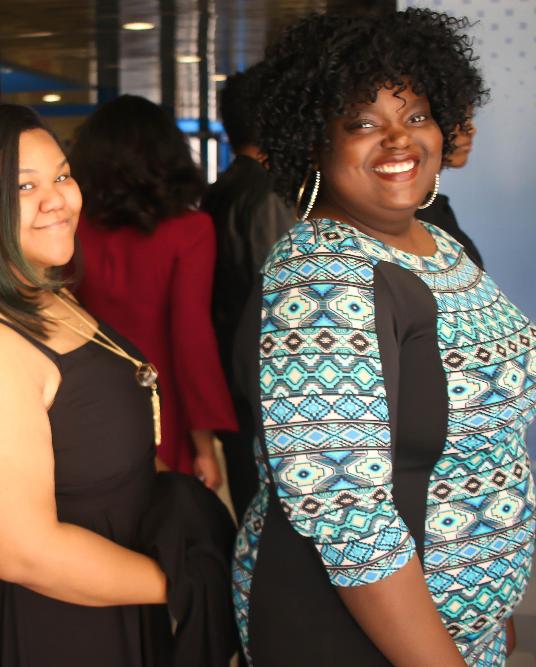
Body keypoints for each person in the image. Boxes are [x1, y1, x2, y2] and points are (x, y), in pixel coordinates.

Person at [232, 9, 533, 666]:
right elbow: (346, 512)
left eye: (417, 115)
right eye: (363, 123)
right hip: (352, 632)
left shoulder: (436, 245)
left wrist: (487, 604)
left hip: (447, 627)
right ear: (314, 139)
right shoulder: (320, 277)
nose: (398, 140)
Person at [0, 102, 237, 667]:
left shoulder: (38, 287)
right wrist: (185, 582)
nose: (58, 199)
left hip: (104, 587)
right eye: (23, 186)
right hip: (40, 623)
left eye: (62, 174)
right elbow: (24, 555)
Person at [69, 94, 237, 486]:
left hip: (83, 397)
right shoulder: (191, 231)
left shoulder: (72, 230)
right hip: (162, 406)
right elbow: (190, 337)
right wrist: (204, 445)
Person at [204, 64, 295, 520]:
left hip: (229, 368)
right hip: (263, 380)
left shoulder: (221, 189)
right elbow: (285, 303)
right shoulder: (269, 197)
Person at [416, 114, 484, 268]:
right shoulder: (412, 216)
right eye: (455, 121)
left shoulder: (435, 207)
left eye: (469, 117)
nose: (471, 130)